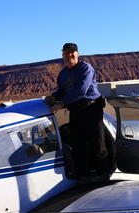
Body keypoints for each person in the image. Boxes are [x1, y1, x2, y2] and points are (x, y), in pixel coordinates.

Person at [45, 43, 109, 187]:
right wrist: (54, 97)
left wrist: (61, 104)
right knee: (78, 144)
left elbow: (81, 91)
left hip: (92, 109)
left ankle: (103, 173)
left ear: (78, 54)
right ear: (63, 55)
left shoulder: (85, 68)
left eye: (72, 53)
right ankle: (83, 176)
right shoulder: (63, 73)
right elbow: (62, 90)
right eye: (66, 53)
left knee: (97, 143)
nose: (69, 55)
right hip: (75, 111)